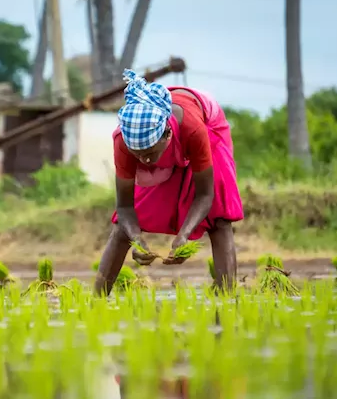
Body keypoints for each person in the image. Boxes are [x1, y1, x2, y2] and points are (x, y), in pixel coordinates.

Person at [94, 69, 244, 296]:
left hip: (208, 125)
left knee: (220, 219)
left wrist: (184, 234)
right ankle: (96, 300)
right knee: (122, 229)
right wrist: (137, 239)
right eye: (137, 154)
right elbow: (124, 208)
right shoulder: (124, 141)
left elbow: (205, 194)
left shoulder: (193, 129)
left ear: (167, 135)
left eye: (149, 153)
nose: (144, 160)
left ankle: (227, 297)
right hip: (173, 146)